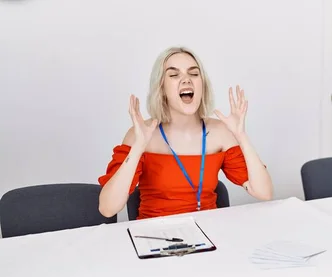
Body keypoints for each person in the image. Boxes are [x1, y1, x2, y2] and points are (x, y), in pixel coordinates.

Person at [98, 46, 273, 219]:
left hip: (210, 233)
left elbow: (264, 192)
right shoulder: (142, 133)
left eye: (194, 74)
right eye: (174, 75)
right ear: (161, 88)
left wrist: (241, 135)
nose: (186, 80)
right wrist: (138, 148)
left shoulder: (221, 132)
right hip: (156, 235)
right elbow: (108, 208)